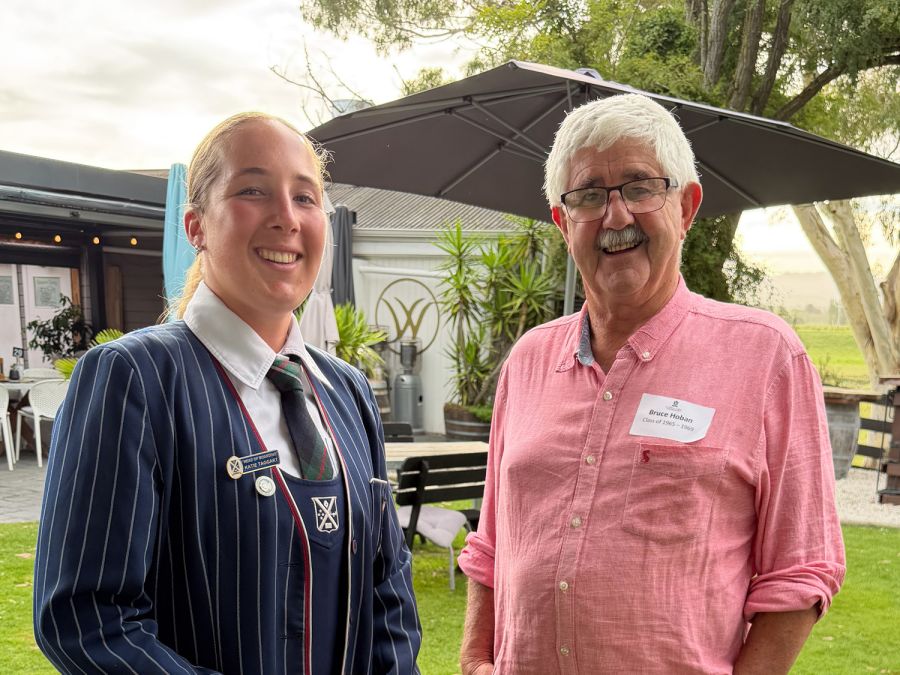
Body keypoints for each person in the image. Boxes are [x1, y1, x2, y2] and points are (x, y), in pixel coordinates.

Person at [458, 94, 845, 674]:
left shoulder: (766, 357)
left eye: (640, 188)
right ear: (565, 224)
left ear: (686, 207)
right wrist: (472, 660)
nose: (615, 217)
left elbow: (802, 567)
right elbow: (490, 547)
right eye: (589, 196)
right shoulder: (528, 361)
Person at [34, 112, 421, 674]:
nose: (286, 218)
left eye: (306, 198)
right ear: (195, 226)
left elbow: (387, 593)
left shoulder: (349, 392)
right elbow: (88, 620)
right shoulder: (136, 378)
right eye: (253, 191)